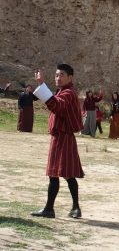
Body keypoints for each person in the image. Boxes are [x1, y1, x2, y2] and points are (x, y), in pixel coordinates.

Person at [30, 64, 84, 218]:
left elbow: (57, 105)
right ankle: (63, 208)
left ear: (70, 77)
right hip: (60, 137)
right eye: (56, 75)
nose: (58, 78)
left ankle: (58, 208)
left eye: (61, 75)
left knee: (62, 173)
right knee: (61, 173)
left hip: (63, 137)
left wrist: (41, 84)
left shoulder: (68, 93)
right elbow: (55, 103)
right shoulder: (64, 92)